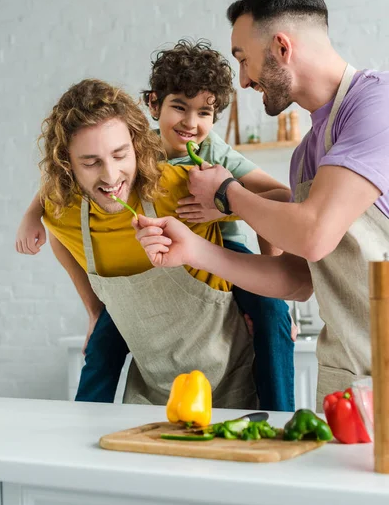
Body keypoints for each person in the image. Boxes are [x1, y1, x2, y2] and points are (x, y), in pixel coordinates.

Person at [135, 0, 389, 411]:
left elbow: (313, 234)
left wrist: (227, 194)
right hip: (344, 380)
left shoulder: (376, 104)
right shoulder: (307, 154)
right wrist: (194, 250)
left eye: (244, 59)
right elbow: (297, 278)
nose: (245, 79)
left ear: (281, 48)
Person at [16, 40, 296, 411]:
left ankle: (282, 414)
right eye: (179, 107)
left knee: (270, 310)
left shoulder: (211, 161)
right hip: (144, 309)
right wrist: (32, 215)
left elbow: (277, 202)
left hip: (225, 249)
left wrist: (224, 202)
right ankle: (79, 422)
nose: (191, 123)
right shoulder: (133, 143)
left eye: (204, 113)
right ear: (153, 106)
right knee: (102, 345)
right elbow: (56, 202)